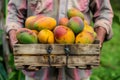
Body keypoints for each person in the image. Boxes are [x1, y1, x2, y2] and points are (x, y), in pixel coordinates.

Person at [5, 0, 113, 80]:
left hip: (78, 72)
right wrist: (16, 43)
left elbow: (104, 13)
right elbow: (14, 14)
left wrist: (97, 43)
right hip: (37, 73)